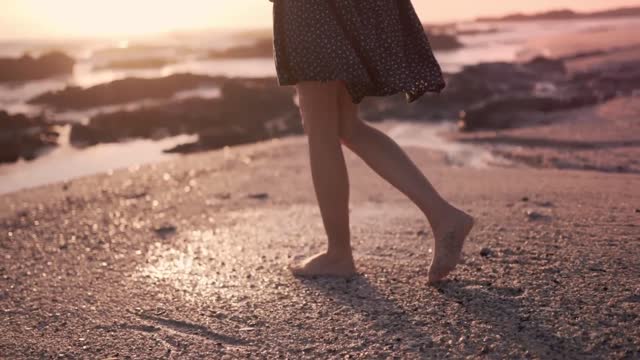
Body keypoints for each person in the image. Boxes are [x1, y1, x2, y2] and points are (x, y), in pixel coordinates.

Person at [270, 0, 474, 283]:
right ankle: (442, 215)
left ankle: (339, 254)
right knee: (345, 125)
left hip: (312, 8)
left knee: (321, 129)